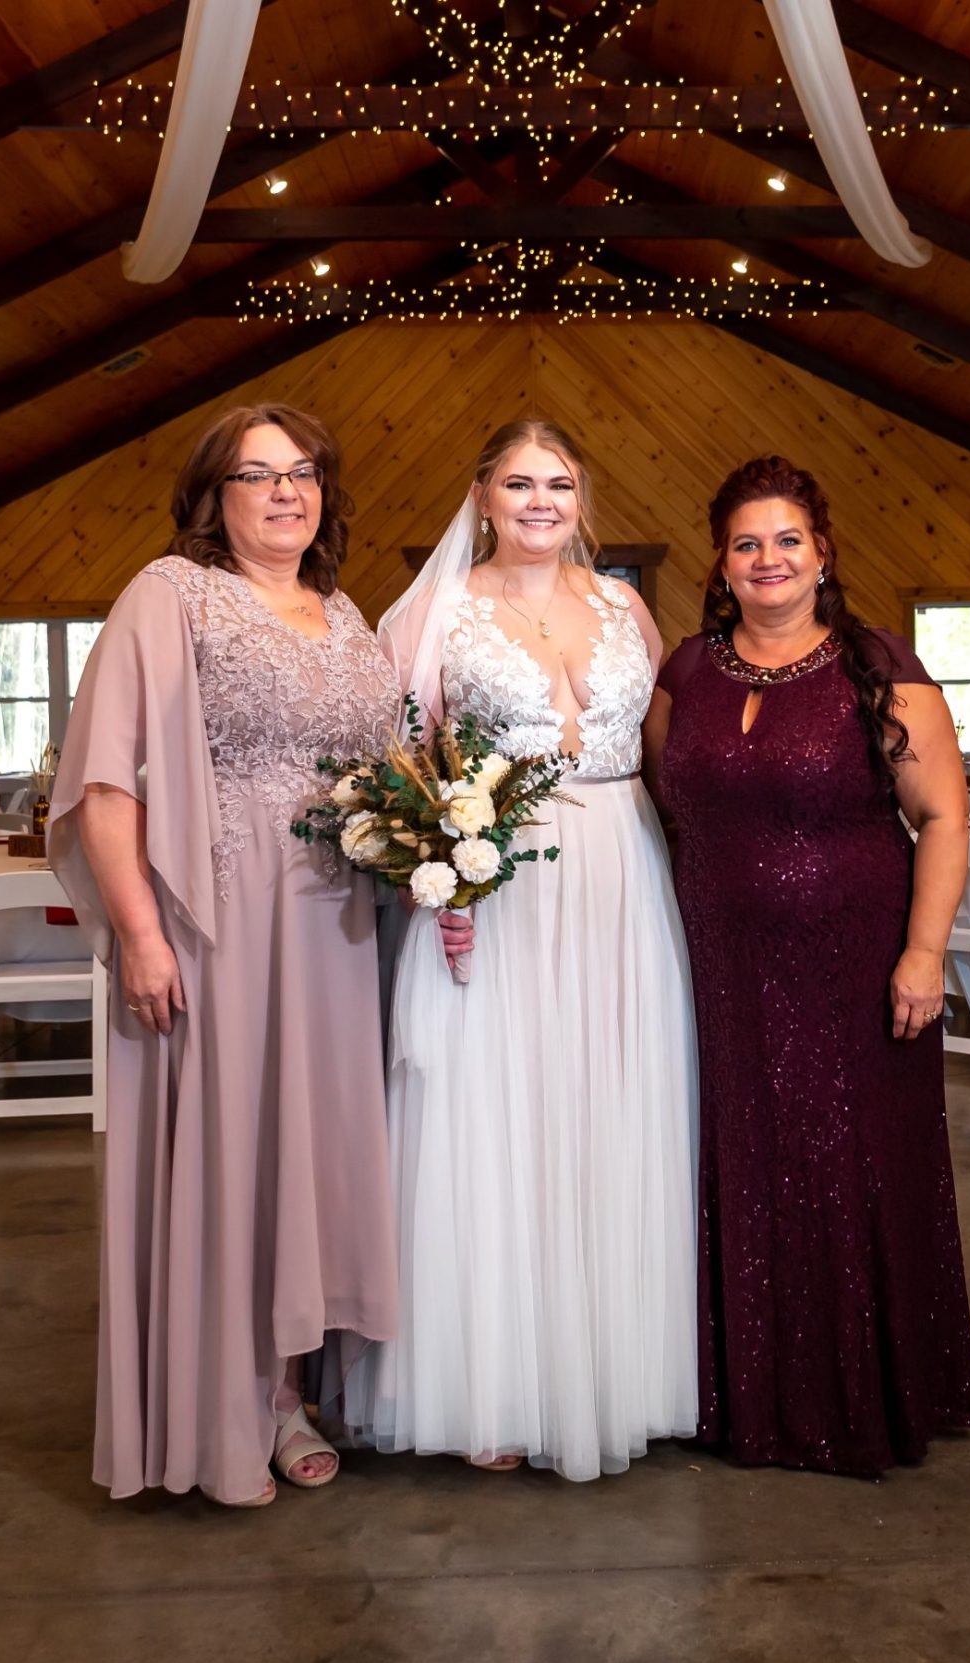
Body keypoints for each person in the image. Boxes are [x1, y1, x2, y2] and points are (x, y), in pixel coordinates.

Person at [50, 402, 419, 1508]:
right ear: (214, 496)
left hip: (341, 928)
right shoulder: (169, 596)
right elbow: (106, 784)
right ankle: (228, 1411)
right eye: (255, 475)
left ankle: (296, 1387)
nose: (283, 493)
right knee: (231, 1157)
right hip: (220, 923)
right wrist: (140, 931)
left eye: (301, 472)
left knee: (311, 1161)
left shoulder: (345, 610)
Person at [341, 418, 700, 1480]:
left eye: (558, 483)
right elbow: (392, 768)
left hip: (625, 870)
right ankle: (487, 1380)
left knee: (611, 1104)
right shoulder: (437, 613)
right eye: (518, 482)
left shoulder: (624, 602)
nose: (539, 500)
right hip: (498, 881)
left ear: (580, 499)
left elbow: (667, 751)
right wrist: (434, 871)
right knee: (496, 1112)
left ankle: (618, 1371)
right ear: (482, 496)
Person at [644, 453, 970, 1475]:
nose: (767, 557)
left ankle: (859, 1399)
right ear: (721, 562)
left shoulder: (879, 666)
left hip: (853, 965)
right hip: (717, 968)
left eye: (787, 538)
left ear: (821, 553)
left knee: (848, 1169)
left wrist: (923, 954)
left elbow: (943, 817)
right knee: (734, 1169)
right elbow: (659, 800)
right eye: (747, 541)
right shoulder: (685, 673)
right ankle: (738, 1396)